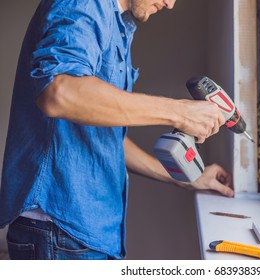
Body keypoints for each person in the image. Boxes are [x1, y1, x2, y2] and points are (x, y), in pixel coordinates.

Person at [0, 0, 234, 260]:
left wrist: (187, 177)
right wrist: (179, 112)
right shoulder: (85, 3)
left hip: (84, 234)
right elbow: (59, 92)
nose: (170, 4)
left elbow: (105, 138)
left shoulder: (119, 24)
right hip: (61, 231)